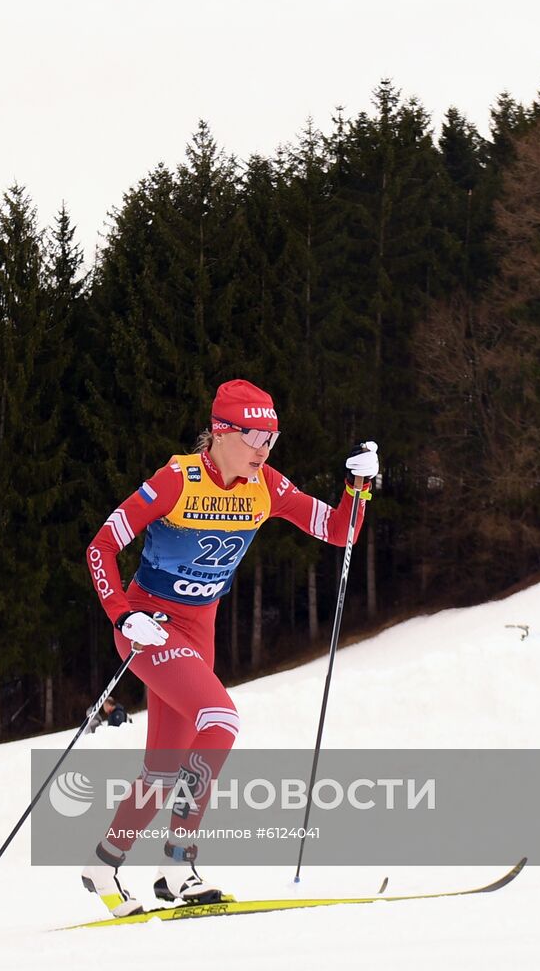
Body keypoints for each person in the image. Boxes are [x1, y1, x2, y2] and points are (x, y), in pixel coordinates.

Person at [80, 379, 379, 916]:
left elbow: (341, 532)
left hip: (199, 630)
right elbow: (100, 546)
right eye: (254, 436)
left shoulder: (268, 486)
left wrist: (357, 488)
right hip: (152, 625)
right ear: (220, 433)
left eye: (272, 437)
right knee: (221, 719)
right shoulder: (176, 481)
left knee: (165, 768)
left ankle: (105, 862)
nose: (264, 449)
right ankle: (179, 860)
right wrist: (123, 617)